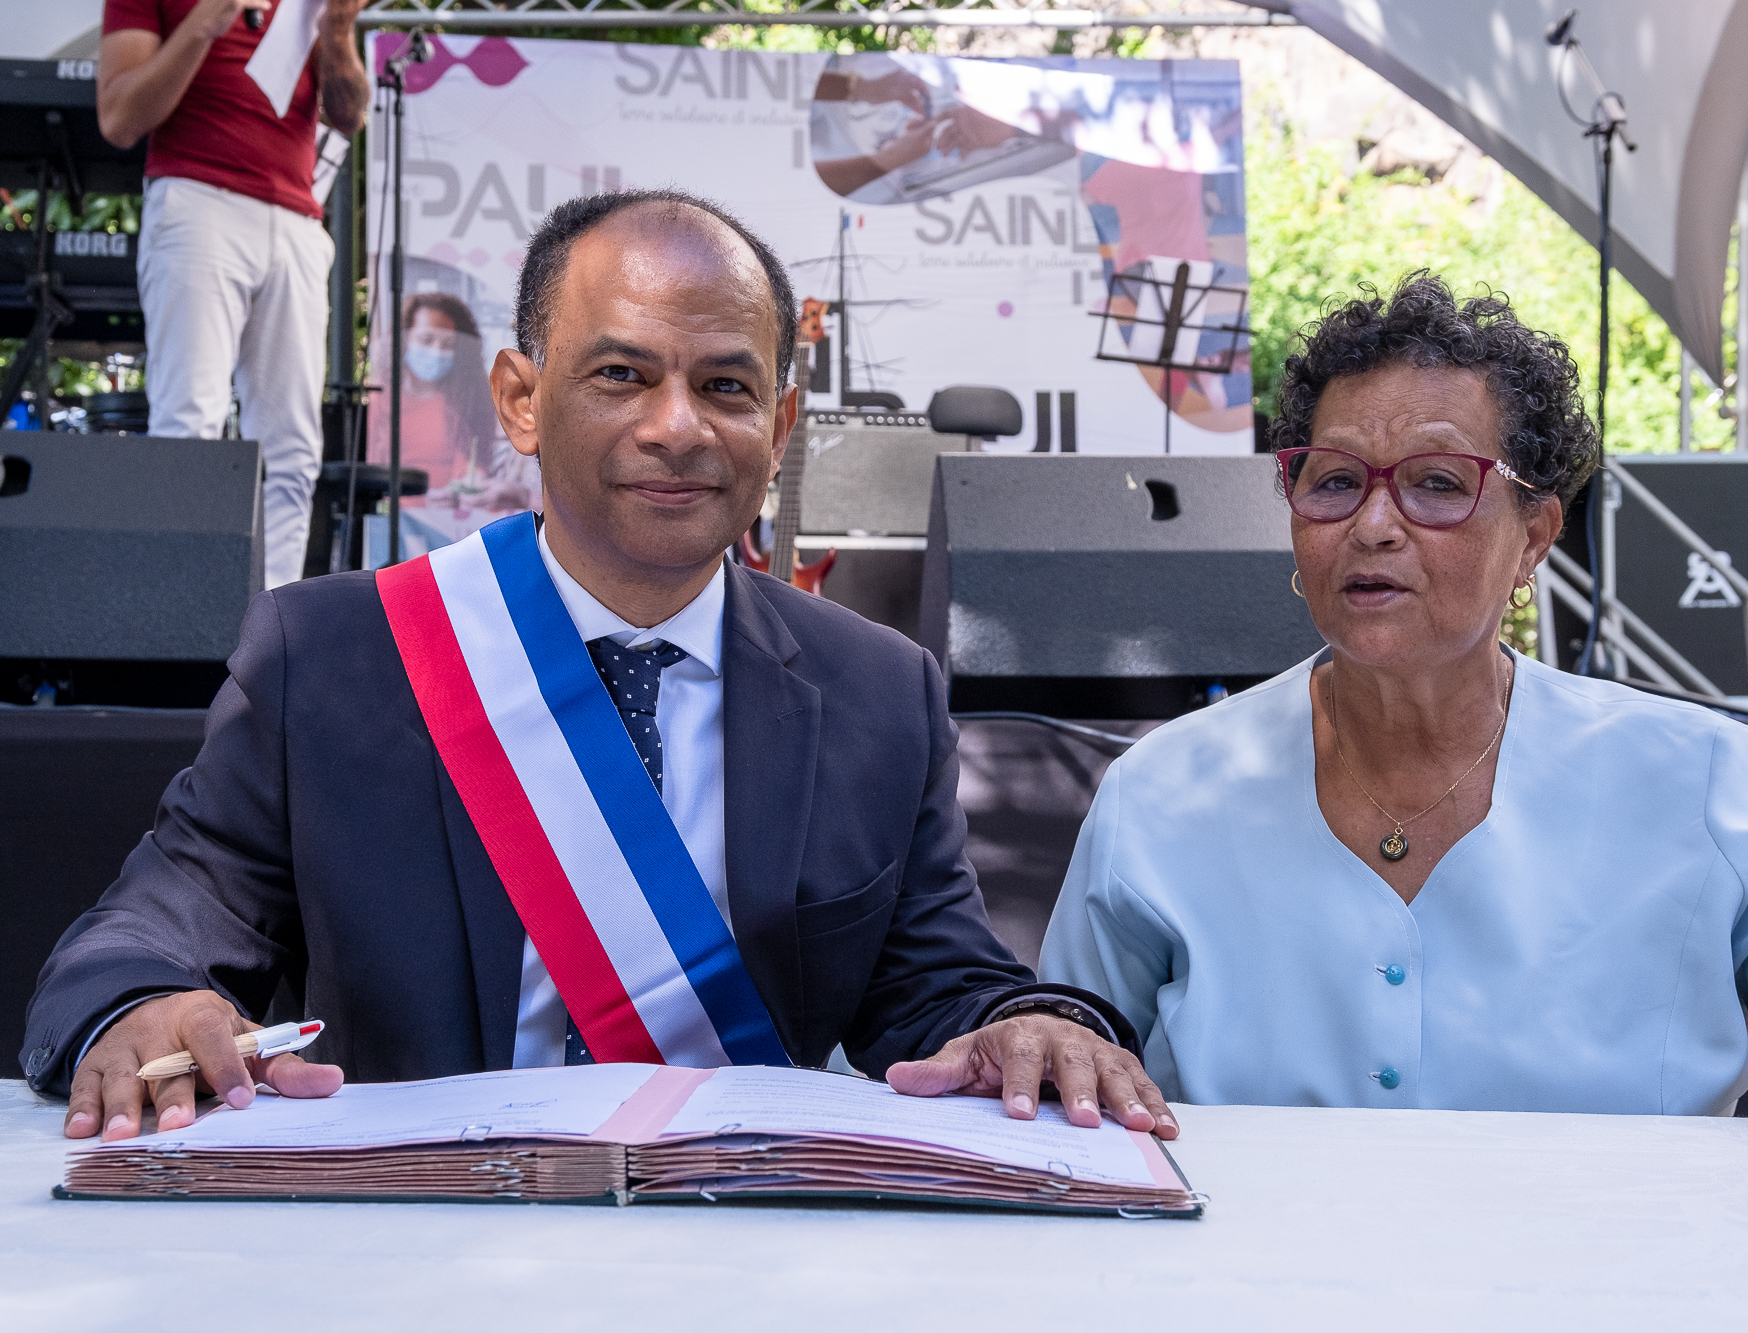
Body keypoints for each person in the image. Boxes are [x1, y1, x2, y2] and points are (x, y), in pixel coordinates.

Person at [26, 190, 1175, 1148]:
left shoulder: (878, 689)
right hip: (409, 1244)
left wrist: (1022, 1020)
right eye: (621, 374)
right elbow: (146, 933)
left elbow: (935, 985)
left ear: (778, 428)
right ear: (521, 401)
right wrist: (145, 1003)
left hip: (739, 1248)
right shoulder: (329, 658)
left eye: (726, 387)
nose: (677, 426)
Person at [1040, 274, 1748, 1196]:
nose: (1373, 524)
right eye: (1332, 481)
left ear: (1536, 533)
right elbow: (1065, 1065)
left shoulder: (1701, 779)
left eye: (1437, 483)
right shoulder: (1164, 792)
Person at [97, 0, 369, 588]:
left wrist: (339, 29)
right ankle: (181, 624)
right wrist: (204, 22)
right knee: (190, 427)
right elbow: (118, 118)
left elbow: (347, 115)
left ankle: (272, 642)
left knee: (294, 450)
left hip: (296, 220)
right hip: (197, 201)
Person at [369, 293, 536, 532]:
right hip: (394, 527)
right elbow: (373, 475)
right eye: (426, 340)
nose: (437, 352)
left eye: (448, 345)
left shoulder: (471, 401)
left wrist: (472, 483)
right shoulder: (379, 401)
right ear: (403, 341)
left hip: (455, 525)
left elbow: (472, 462)